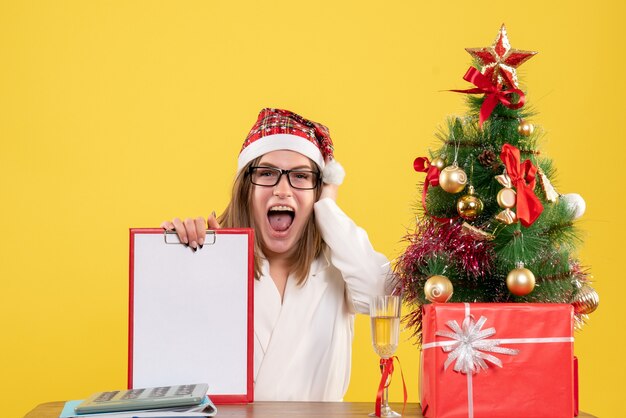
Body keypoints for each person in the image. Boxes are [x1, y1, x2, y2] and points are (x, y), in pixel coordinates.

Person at [161, 108, 391, 401]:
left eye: (300, 176)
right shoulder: (212, 260)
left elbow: (382, 295)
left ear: (317, 191)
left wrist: (329, 210)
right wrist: (174, 257)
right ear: (246, 188)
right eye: (267, 173)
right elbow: (173, 357)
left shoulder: (337, 267)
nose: (283, 190)